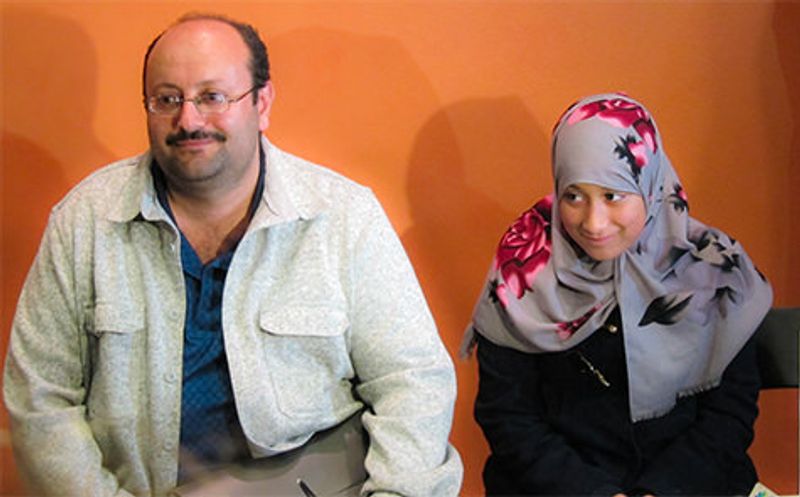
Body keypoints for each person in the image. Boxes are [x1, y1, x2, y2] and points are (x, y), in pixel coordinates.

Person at [3, 13, 462, 497]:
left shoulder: (343, 217)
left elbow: (413, 381)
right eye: (167, 99)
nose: (188, 120)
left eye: (212, 96)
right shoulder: (85, 222)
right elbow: (40, 398)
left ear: (262, 103)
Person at [464, 93, 772, 496]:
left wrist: (659, 492)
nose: (593, 223)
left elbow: (729, 415)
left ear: (650, 186)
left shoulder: (713, 269)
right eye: (574, 196)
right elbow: (508, 417)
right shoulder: (522, 270)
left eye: (613, 195)